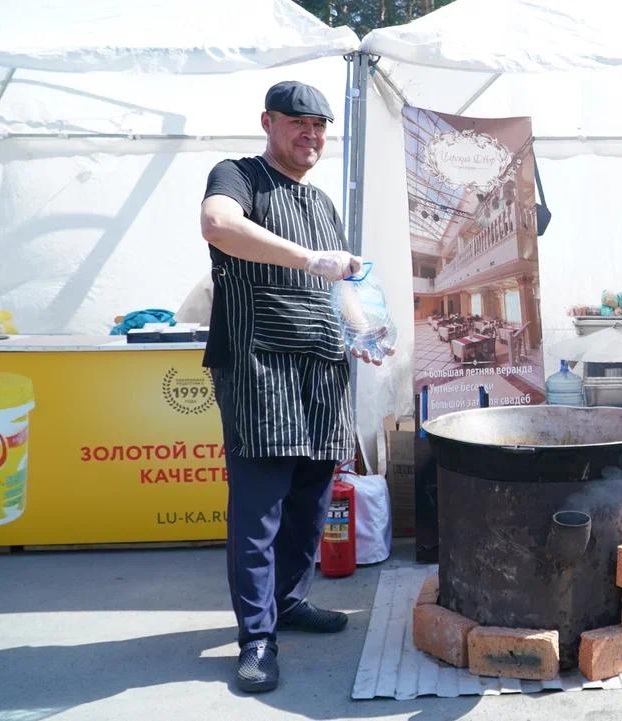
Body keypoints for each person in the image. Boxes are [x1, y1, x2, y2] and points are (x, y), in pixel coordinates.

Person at [199, 80, 375, 694]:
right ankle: (256, 637)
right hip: (258, 366)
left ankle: (291, 601)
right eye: (299, 123)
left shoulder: (323, 203)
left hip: (323, 365)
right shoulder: (238, 175)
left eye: (322, 126)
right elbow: (218, 226)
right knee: (260, 510)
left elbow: (338, 286)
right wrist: (308, 259)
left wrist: (365, 332)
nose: (312, 135)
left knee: (311, 497)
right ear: (269, 123)